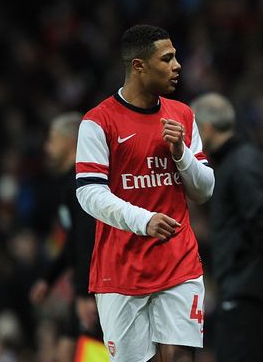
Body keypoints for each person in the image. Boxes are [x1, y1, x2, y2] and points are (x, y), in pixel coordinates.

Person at [75, 24, 215, 362]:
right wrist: (144, 220)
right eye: (167, 59)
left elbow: (204, 190)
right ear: (139, 66)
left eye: (176, 57)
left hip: (177, 261)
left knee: (181, 357)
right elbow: (89, 193)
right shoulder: (98, 122)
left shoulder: (181, 115)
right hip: (121, 267)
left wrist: (181, 152)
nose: (177, 66)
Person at [190, 92, 263, 362]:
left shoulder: (242, 164)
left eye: (193, 130)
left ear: (206, 129)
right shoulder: (237, 162)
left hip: (247, 284)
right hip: (243, 283)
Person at [29, 112, 102, 361]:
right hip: (87, 286)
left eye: (52, 139)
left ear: (70, 142)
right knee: (65, 353)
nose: (47, 147)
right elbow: (73, 242)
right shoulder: (68, 184)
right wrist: (49, 278)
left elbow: (88, 241)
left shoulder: (81, 184)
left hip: (95, 290)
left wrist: (85, 294)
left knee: (83, 354)